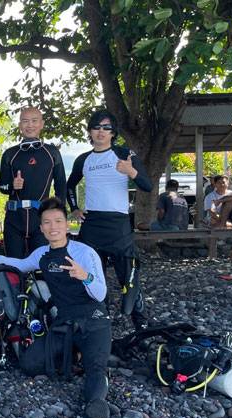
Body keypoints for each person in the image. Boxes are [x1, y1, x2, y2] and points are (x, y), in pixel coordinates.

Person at [0, 197, 111, 418]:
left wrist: (85, 276)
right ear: (41, 228)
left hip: (94, 319)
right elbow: (21, 265)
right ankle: (75, 355)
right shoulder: (42, 253)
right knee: (29, 363)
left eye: (58, 221)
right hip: (65, 322)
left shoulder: (84, 253)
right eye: (47, 222)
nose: (53, 227)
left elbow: (100, 293)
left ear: (67, 225)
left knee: (96, 369)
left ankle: (93, 412)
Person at [66, 110, 152, 330]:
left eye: (106, 128)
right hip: (92, 224)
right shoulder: (83, 159)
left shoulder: (124, 154)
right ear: (90, 131)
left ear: (113, 132)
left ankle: (141, 325)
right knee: (93, 276)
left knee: (129, 277)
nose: (101, 132)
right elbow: (69, 185)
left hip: (118, 224)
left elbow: (147, 186)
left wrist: (131, 172)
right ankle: (98, 323)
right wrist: (74, 208)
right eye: (96, 127)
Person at [0, 107, 66, 257]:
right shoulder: (10, 154)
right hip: (14, 219)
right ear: (20, 125)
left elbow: (61, 185)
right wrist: (12, 186)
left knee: (41, 265)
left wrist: (60, 215)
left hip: (41, 219)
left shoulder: (52, 153)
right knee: (14, 265)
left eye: (34, 121)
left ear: (42, 124)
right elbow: (2, 186)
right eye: (25, 121)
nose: (30, 125)